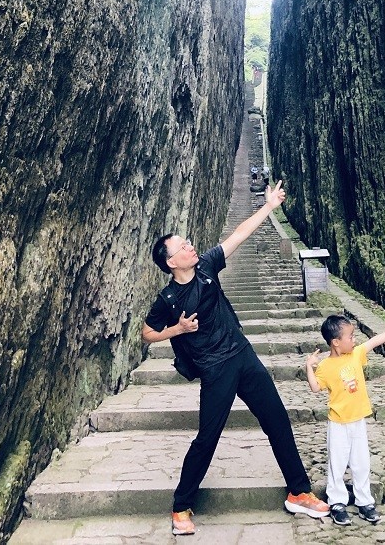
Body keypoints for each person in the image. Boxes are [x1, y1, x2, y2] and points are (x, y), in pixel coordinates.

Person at [143, 181, 330, 536]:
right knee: (208, 437)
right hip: (215, 369)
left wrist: (270, 205)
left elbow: (239, 234)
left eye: (188, 242)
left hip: (243, 356)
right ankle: (181, 506)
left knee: (277, 419)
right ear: (171, 262)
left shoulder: (207, 267)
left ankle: (298, 491)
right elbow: (147, 332)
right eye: (183, 246)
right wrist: (176, 331)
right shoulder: (167, 300)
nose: (191, 245)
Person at [306, 313, 385, 526]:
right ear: (336, 342)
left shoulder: (355, 355)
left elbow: (373, 342)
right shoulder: (325, 366)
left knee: (361, 463)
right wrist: (309, 366)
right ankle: (337, 503)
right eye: (350, 337)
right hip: (338, 423)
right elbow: (315, 387)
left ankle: (365, 501)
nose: (354, 340)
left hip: (357, 420)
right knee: (337, 464)